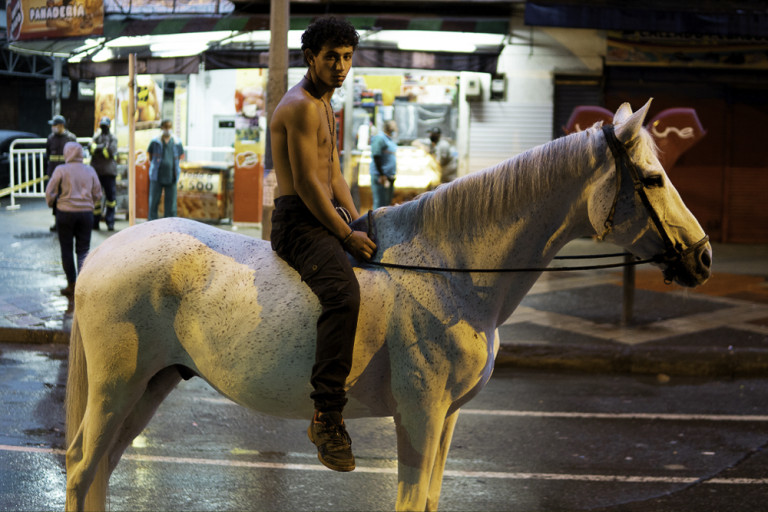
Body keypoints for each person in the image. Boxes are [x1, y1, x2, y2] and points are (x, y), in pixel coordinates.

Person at [269, 15, 376, 473]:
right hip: (299, 223)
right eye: (331, 56)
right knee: (343, 293)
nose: (340, 66)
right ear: (310, 57)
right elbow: (311, 186)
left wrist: (359, 220)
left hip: (325, 215)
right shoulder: (299, 107)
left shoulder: (326, 105)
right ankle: (326, 416)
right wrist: (345, 232)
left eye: (347, 57)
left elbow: (334, 175)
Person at [45, 142, 101, 297]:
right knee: (83, 249)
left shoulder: (61, 170)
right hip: (86, 214)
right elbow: (98, 192)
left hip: (65, 214)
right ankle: (82, 286)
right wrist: (90, 203)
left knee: (67, 249)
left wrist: (53, 204)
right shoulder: (90, 170)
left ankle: (71, 284)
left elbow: (50, 192)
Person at [147, 119, 184, 220]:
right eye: (165, 127)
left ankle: (170, 225)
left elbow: (181, 156)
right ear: (162, 128)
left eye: (169, 127)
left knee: (171, 204)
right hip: (157, 176)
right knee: (153, 202)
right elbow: (149, 155)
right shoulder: (155, 142)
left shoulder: (177, 142)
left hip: (172, 176)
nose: (167, 129)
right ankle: (152, 224)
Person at [46, 115, 77, 231]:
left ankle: (68, 223)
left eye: (55, 125)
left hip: (68, 175)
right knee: (55, 199)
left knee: (67, 198)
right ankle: (57, 222)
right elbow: (48, 155)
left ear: (61, 126)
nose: (53, 127)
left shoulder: (71, 138)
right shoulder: (50, 138)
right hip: (54, 174)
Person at [89, 117, 118, 231]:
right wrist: (101, 148)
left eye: (105, 125)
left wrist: (97, 148)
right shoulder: (96, 137)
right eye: (102, 125)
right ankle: (95, 222)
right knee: (96, 198)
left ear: (109, 126)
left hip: (109, 173)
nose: (103, 127)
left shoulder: (113, 138)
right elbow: (90, 149)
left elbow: (109, 153)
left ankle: (110, 222)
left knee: (111, 199)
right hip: (96, 172)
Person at [369, 119, 398, 209]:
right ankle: (376, 223)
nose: (396, 127)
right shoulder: (380, 138)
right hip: (381, 177)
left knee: (386, 204)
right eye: (394, 125)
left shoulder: (390, 140)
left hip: (389, 176)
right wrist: (381, 174)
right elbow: (376, 156)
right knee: (379, 204)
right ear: (389, 127)